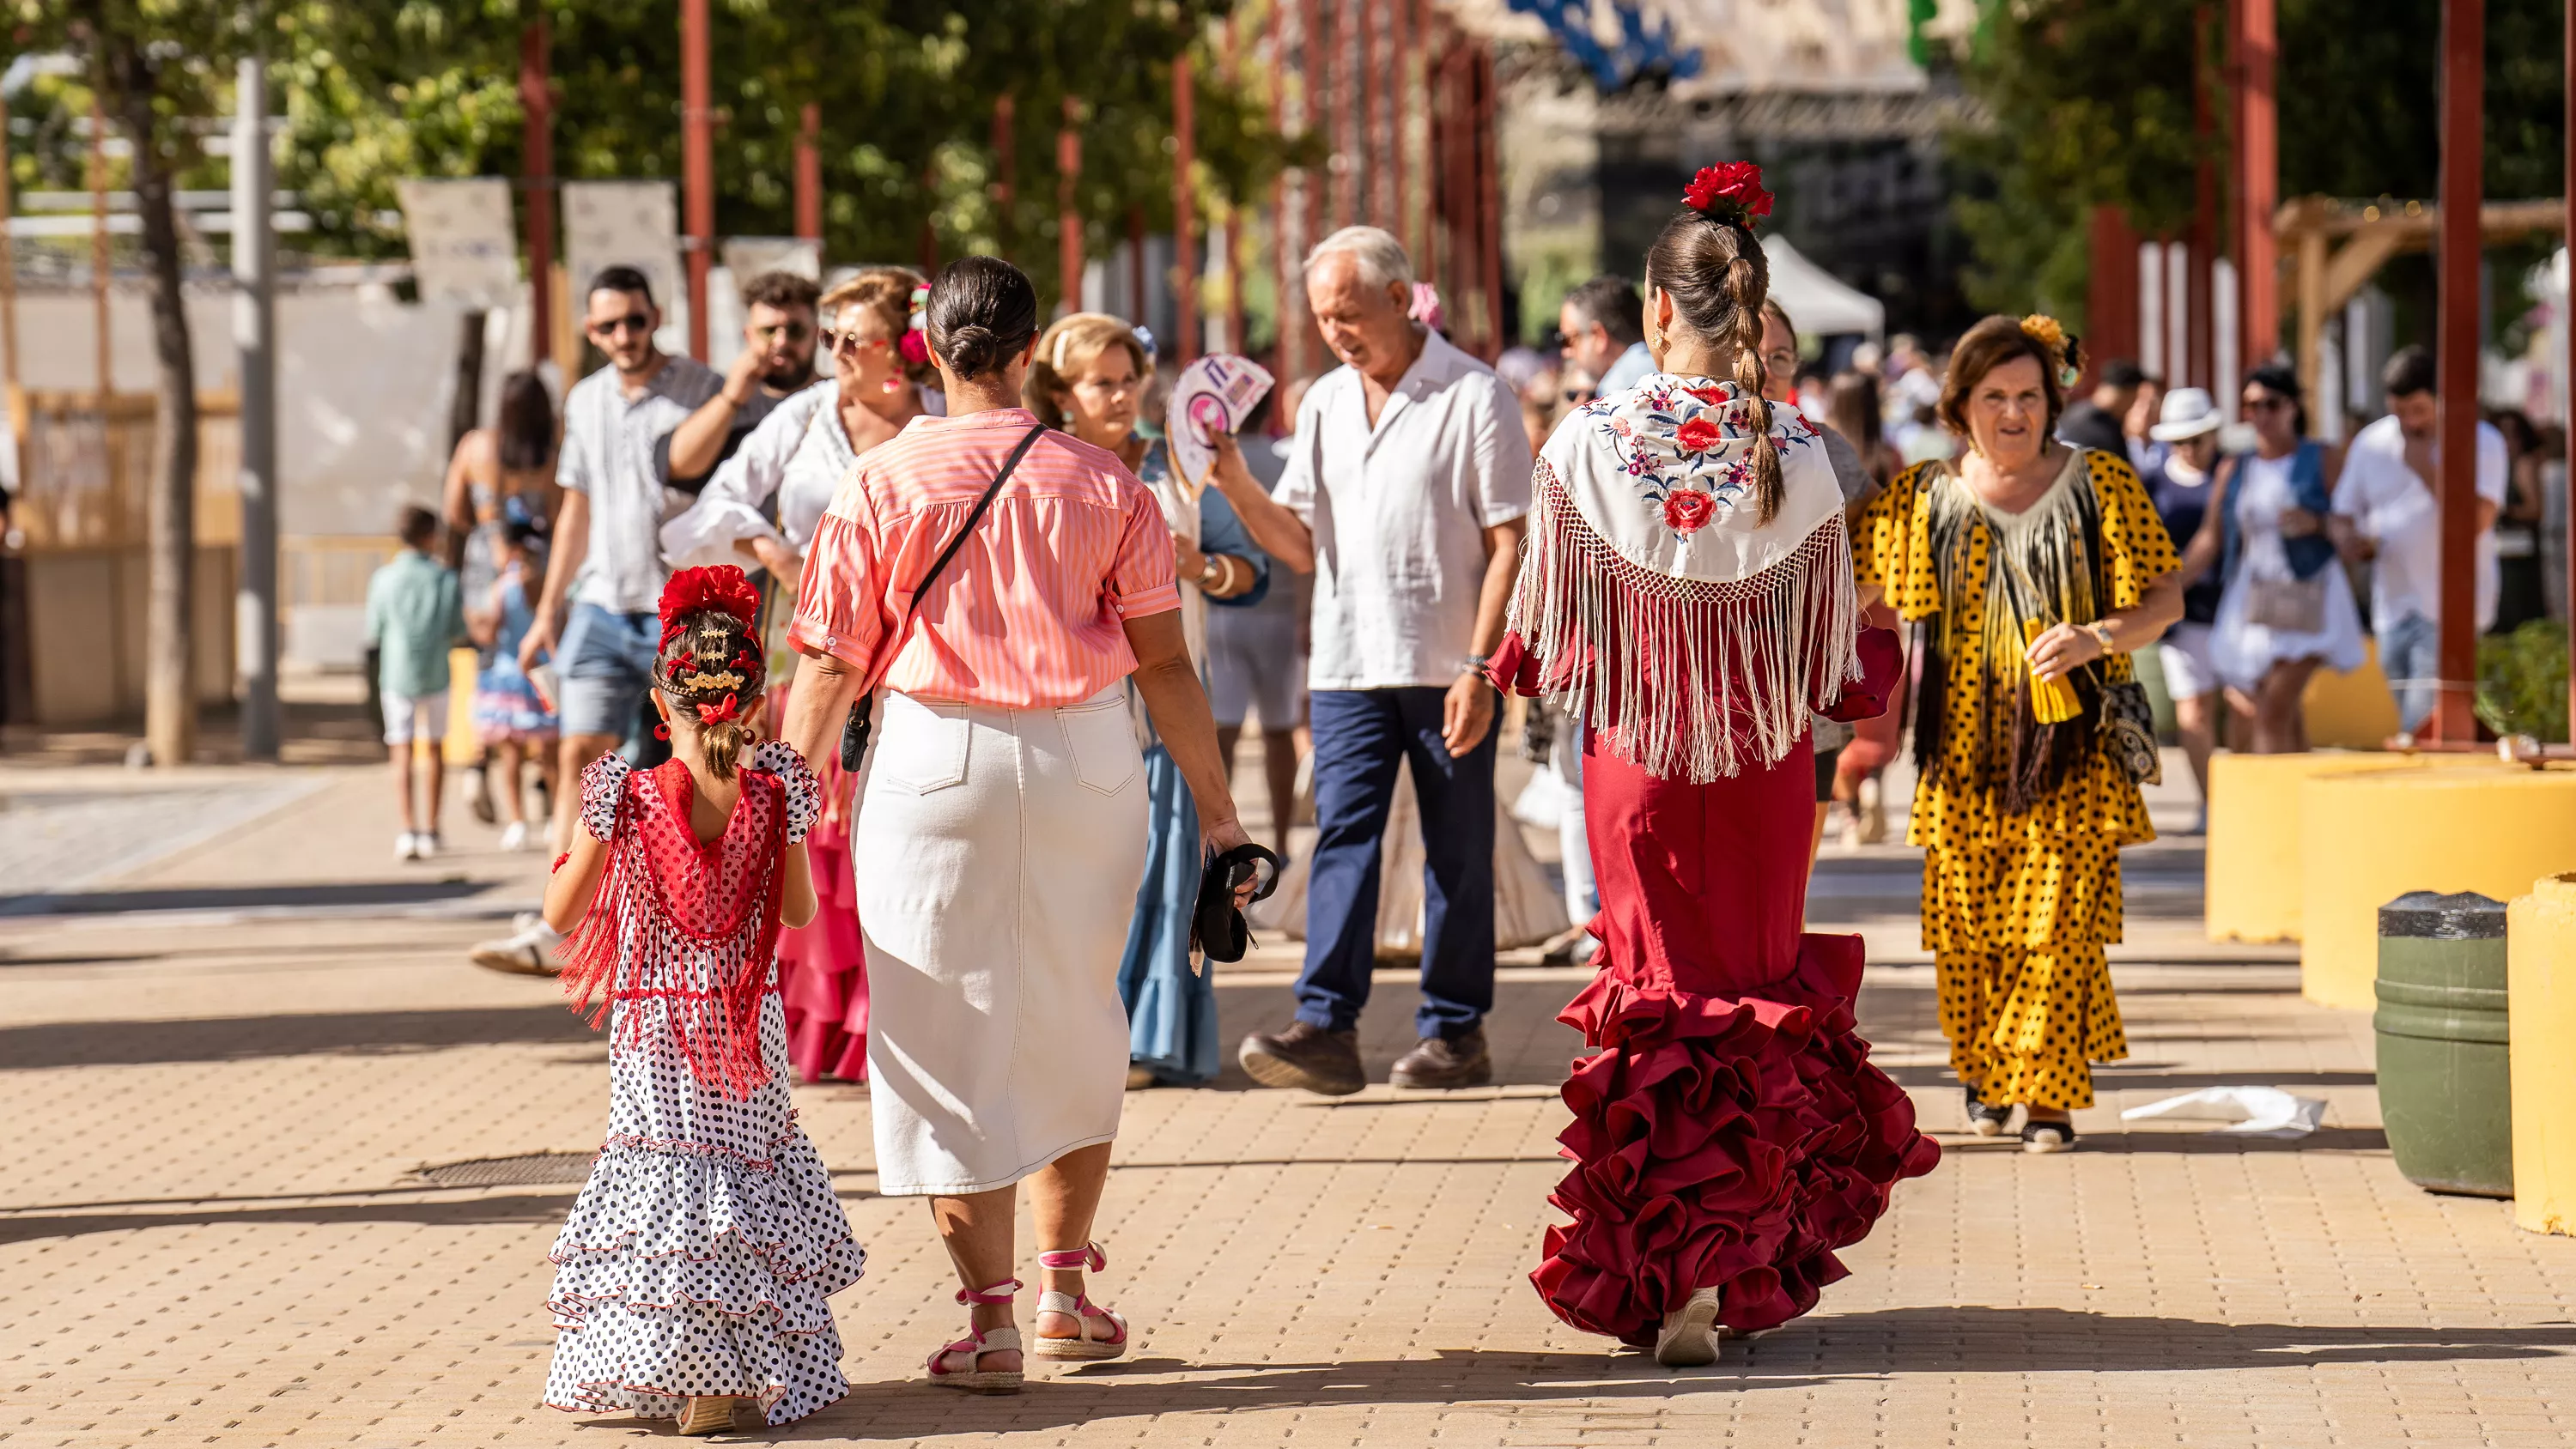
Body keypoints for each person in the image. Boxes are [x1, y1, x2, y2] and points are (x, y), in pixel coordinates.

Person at [778, 256, 1255, 1391]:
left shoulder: (881, 482)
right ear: (1033, 352)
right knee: (1079, 1013)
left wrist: (781, 801)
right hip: (1090, 752)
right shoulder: (1106, 484)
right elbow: (1166, 666)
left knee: (940, 1031)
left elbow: (827, 663)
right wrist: (1228, 817)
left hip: (934, 759)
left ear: (928, 352)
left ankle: (988, 1324)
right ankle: (1066, 1295)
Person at [1493, 162, 1936, 1367]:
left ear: (1653, 313)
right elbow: (1841, 658)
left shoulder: (1586, 442)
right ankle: (1724, 1273)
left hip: (1636, 753)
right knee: (1749, 998)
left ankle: (1662, 1275)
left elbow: (1540, 635)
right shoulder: (1800, 449)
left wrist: (1515, 679)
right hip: (1760, 762)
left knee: (1654, 995)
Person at [538, 566, 862, 1434]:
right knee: (735, 1188)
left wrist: (582, 848)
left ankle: (675, 1363)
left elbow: (560, 913)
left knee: (668, 1185)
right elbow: (795, 910)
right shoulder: (774, 792)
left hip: (654, 1021)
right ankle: (723, 1370)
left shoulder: (623, 794)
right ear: (754, 700)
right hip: (742, 1018)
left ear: (661, 695)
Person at [1210, 226, 1533, 1096]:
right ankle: (1325, 1024)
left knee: (1455, 849)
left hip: (1446, 664)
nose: (1337, 333)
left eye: (1349, 314)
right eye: (1324, 319)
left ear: (1400, 298)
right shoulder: (1322, 403)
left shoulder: (1476, 395)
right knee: (1340, 837)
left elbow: (1512, 542)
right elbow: (1301, 544)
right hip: (1348, 664)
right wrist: (1237, 481)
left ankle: (1455, 1031)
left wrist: (1481, 666)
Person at [1851, 313, 2185, 1153]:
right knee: (1969, 932)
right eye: (1994, 396)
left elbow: (2165, 598)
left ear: (2053, 400)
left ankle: (2046, 1096)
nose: (2013, 413)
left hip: (2071, 758)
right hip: (1960, 757)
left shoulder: (2100, 483)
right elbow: (1849, 592)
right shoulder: (1923, 496)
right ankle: (1989, 1073)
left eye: (2029, 396)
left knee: (2058, 929)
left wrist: (2096, 637)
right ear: (1960, 404)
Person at [659, 266, 934, 1082]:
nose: (836, 352)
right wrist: (770, 550)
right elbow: (714, 502)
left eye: (855, 338)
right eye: (830, 337)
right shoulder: (805, 413)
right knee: (805, 828)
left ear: (905, 348)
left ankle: (893, 1023)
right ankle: (814, 1031)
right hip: (807, 652)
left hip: (907, 654)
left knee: (887, 831)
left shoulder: (939, 421)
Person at [1025, 311, 1268, 1089]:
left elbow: (1251, 573)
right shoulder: (1041, 470)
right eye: (1103, 382)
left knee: (1164, 874)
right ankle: (1077, 1035)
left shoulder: (1177, 468)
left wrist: (1200, 567)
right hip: (1075, 710)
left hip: (1166, 708)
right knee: (1085, 883)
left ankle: (1148, 1040)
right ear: (1063, 392)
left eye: (1131, 379)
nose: (1123, 395)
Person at [483, 268, 722, 973]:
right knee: (579, 756)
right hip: (597, 606)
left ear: (657, 317)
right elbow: (575, 513)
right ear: (592, 332)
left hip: (675, 611)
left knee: (688, 770)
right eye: (608, 326)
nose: (624, 336)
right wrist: (546, 612)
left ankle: (684, 925)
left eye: (635, 321)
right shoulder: (585, 400)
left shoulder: (701, 391)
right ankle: (564, 919)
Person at [2330, 345, 2508, 736]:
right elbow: (2342, 513)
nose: (2410, 423)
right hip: (2392, 607)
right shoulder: (2371, 443)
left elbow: (2476, 522)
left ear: (2443, 400)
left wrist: (2426, 469)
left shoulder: (2483, 441)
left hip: (2451, 609)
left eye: (2420, 412)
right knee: (2417, 721)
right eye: (2400, 412)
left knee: (2422, 723)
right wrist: (2349, 541)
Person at [2195, 363, 2365, 754]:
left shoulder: (2323, 458)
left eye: (2270, 404)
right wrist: (2164, 583)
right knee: (2272, 712)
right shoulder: (2235, 467)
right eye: (2251, 406)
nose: (2260, 415)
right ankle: (2296, 805)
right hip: (2254, 599)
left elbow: (2350, 527)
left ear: (2292, 407)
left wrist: (2318, 523)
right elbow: (2210, 538)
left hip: (2309, 594)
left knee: (2271, 710)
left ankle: (2273, 808)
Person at [440, 371, 560, 828]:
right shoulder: (549, 457)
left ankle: (479, 759)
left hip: (483, 571)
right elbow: (558, 512)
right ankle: (543, 778)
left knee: (490, 664)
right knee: (539, 663)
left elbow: (455, 512)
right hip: (536, 571)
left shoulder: (475, 446)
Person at [1206, 383, 1309, 860]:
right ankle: (1283, 842)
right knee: (1278, 729)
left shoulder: (1209, 470)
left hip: (1224, 611)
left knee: (1222, 731)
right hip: (1281, 611)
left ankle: (1215, 837)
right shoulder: (1285, 460)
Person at [659, 270, 822, 493]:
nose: (781, 342)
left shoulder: (838, 399)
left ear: (816, 334)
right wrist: (730, 399)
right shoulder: (727, 401)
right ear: (749, 336)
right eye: (769, 331)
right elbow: (678, 467)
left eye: (795, 330)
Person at [368, 505, 469, 862]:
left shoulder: (383, 578)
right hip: (436, 671)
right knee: (436, 748)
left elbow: (374, 630)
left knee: (401, 750)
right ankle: (432, 828)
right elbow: (458, 629)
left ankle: (407, 828)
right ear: (429, 535)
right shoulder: (444, 578)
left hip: (396, 673)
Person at [1827, 367, 1903, 846]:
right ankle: (1873, 783)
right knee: (1878, 696)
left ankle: (1851, 812)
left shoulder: (1825, 453)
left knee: (1836, 702)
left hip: (1835, 593)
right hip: (1883, 590)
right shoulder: (1888, 455)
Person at [2144, 388, 2228, 811]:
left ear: (2214, 434)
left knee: (2241, 708)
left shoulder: (2235, 472)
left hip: (2236, 608)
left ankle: (2239, 800)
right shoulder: (2152, 479)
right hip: (2181, 615)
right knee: (2193, 711)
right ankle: (2211, 802)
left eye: (2198, 439)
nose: (2190, 449)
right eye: (2180, 441)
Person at [467, 517, 560, 852]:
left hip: (508, 675)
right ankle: (554, 818)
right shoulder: (545, 581)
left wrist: (474, 621)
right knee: (550, 751)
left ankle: (518, 822)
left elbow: (489, 633)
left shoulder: (503, 586)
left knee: (511, 753)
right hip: (540, 672)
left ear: (513, 548)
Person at [1558, 275, 1653, 397]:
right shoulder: (1665, 370)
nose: (1566, 352)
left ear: (1599, 337)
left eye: (1567, 340)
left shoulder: (1618, 392)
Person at [2057, 358, 2148, 458]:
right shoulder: (2107, 428)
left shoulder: (2071, 413)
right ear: (2127, 394)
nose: (2133, 404)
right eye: (2135, 397)